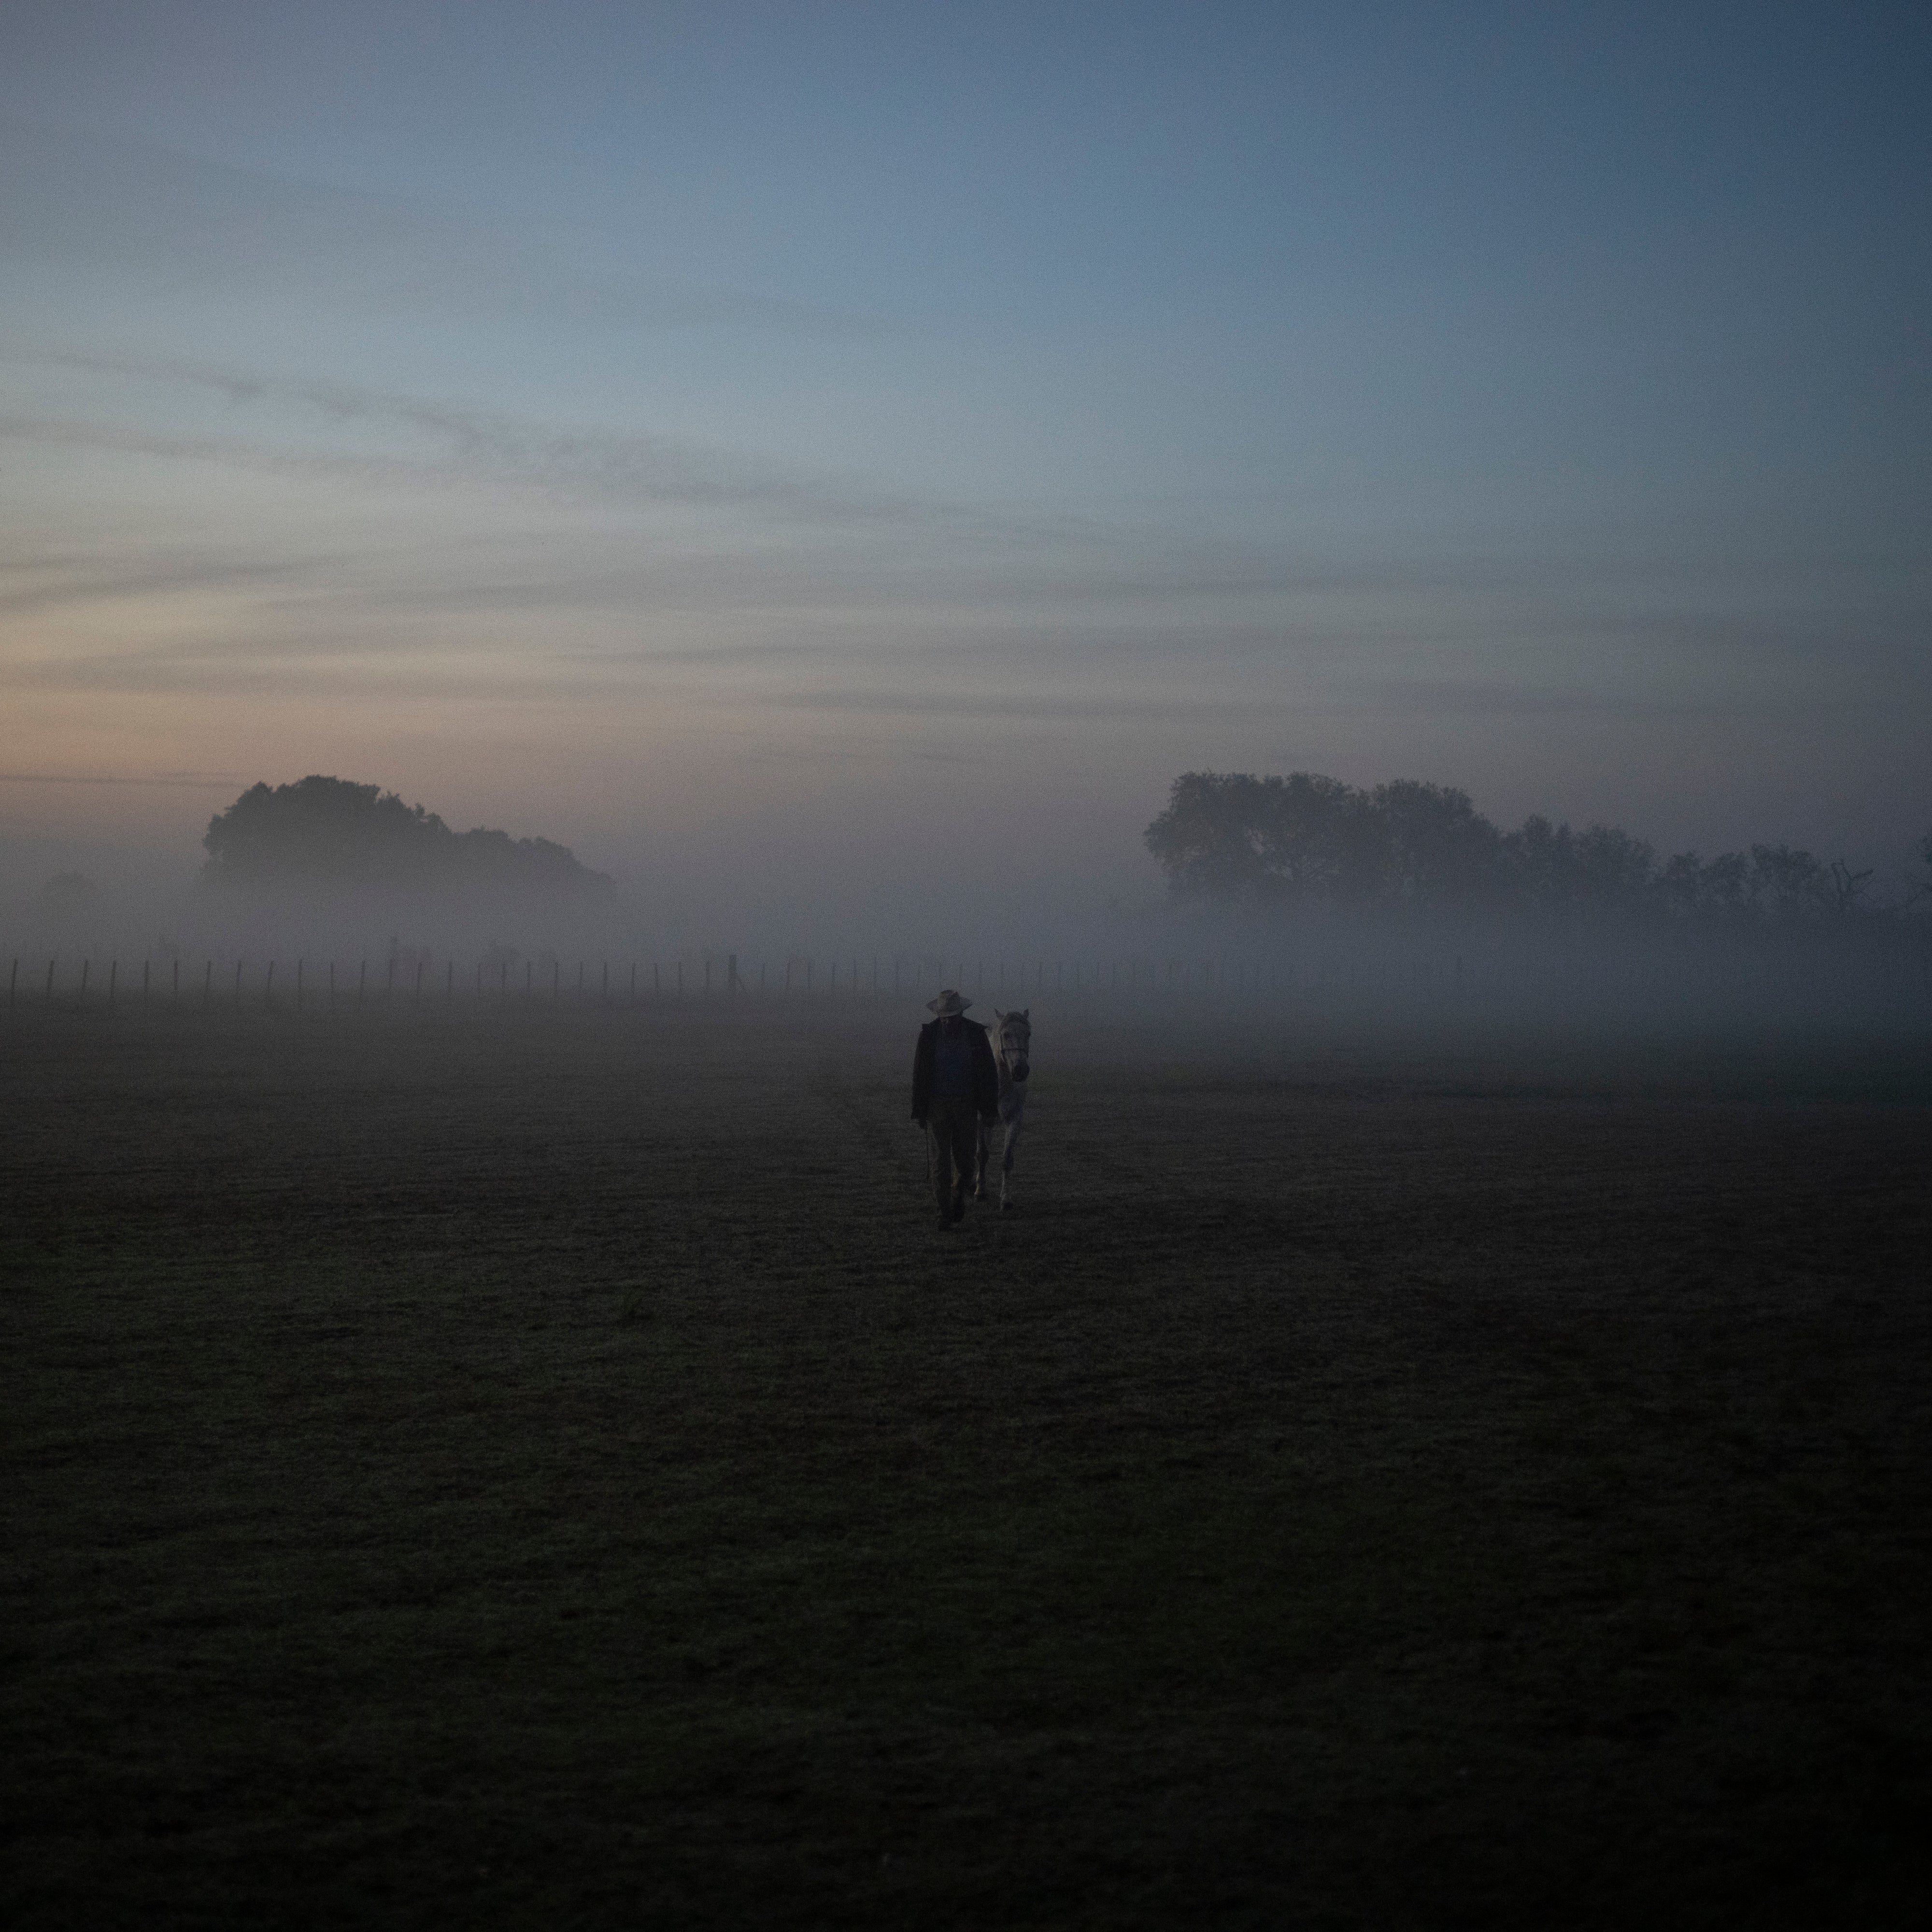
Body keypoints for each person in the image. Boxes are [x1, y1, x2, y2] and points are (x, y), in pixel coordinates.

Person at [911, 988, 999, 1230]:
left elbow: (988, 1074)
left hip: (966, 1105)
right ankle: (944, 1212)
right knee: (941, 1162)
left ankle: (958, 1194)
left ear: (961, 1014)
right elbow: (920, 1074)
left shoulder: (975, 1035)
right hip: (937, 1106)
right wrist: (920, 1111)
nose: (948, 1021)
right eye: (944, 1017)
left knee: (966, 1161)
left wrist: (989, 1110)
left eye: (952, 1016)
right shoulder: (928, 1036)